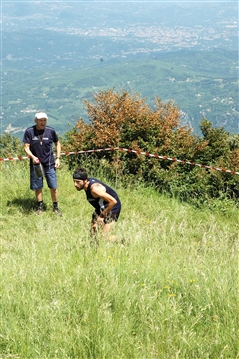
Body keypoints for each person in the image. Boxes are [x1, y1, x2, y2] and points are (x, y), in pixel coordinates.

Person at [23, 112, 62, 215]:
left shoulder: (50, 131)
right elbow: (26, 147)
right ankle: (40, 207)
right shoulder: (29, 131)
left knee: (53, 186)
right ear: (35, 121)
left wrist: (57, 158)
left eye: (44, 120)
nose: (43, 122)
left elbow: (58, 143)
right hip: (36, 164)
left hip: (49, 163)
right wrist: (33, 157)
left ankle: (56, 207)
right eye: (40, 120)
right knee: (38, 186)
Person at [73, 167, 121, 236]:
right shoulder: (86, 186)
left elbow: (113, 201)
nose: (75, 184)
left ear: (85, 181)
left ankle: (122, 240)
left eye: (78, 182)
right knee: (93, 233)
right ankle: (93, 246)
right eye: (74, 181)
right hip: (100, 207)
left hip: (112, 208)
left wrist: (102, 216)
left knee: (104, 237)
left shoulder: (95, 189)